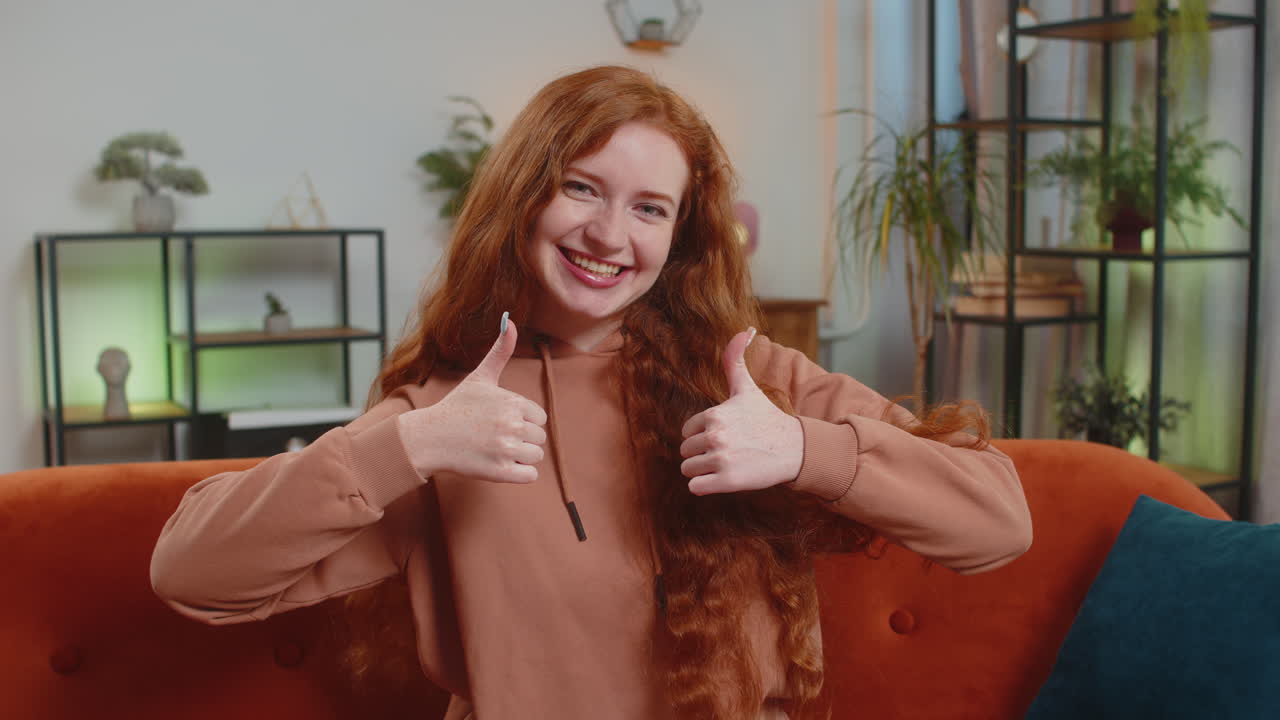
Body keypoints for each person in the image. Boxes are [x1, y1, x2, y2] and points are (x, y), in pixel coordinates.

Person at [150, 65, 1031, 720]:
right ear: (524, 200)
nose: (610, 235)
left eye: (650, 208)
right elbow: (190, 574)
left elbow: (998, 521)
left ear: (679, 234)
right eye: (581, 189)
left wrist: (804, 450)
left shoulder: (752, 380)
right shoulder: (448, 417)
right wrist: (407, 447)